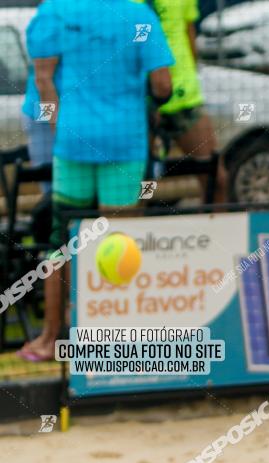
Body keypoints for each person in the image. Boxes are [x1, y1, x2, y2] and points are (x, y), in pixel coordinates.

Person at [17, 0, 173, 362]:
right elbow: (162, 84)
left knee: (62, 245)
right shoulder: (139, 15)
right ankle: (118, 341)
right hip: (125, 141)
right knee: (120, 242)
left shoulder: (54, 12)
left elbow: (43, 80)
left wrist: (61, 131)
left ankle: (51, 338)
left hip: (73, 142)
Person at [145, 0, 228, 203]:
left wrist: (192, 76)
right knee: (140, 189)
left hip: (185, 98)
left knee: (216, 179)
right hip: (142, 102)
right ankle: (128, 235)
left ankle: (212, 232)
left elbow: (189, 33)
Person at [18, 0, 59, 245]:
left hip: (75, 114)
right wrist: (57, 126)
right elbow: (44, 81)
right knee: (52, 191)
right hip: (42, 116)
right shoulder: (49, 15)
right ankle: (52, 247)